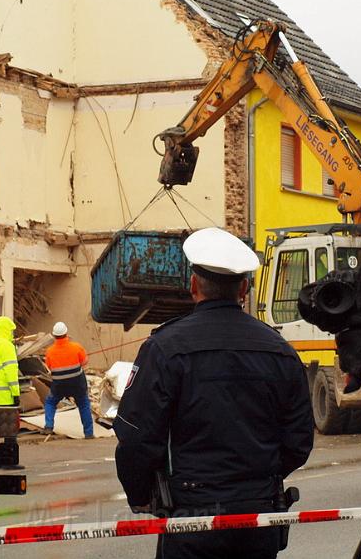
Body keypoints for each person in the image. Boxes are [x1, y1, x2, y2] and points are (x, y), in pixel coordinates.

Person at [114, 227, 314, 559]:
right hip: (258, 516)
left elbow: (136, 438)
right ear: (244, 289)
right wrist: (258, 482)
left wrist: (140, 495)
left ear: (193, 287)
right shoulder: (280, 351)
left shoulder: (164, 348)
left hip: (192, 514)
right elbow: (299, 440)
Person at [43, 322, 95, 439]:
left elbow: (49, 366)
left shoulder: (50, 351)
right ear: (66, 333)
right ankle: (89, 433)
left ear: (54, 336)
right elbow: (84, 362)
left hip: (59, 384)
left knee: (51, 403)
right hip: (77, 382)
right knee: (83, 404)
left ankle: (49, 426)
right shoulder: (76, 347)